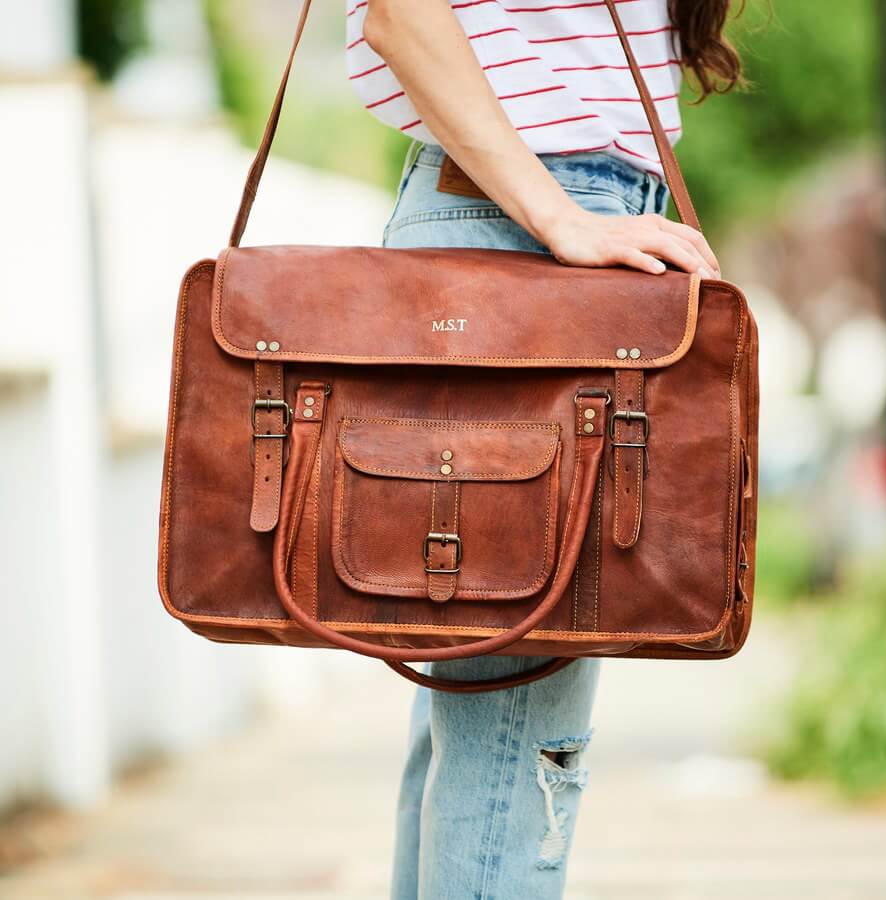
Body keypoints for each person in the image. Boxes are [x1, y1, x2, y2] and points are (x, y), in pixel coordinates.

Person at [345, 1, 742, 896]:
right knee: (515, 750)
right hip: (529, 223)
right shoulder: (553, 215)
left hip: (512, 211)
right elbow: (399, 13)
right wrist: (561, 217)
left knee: (480, 733)